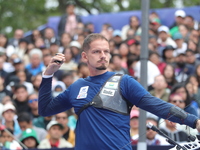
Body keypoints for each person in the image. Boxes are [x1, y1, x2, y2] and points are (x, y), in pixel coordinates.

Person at [38, 33, 200, 150]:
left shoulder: (124, 81)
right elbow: (45, 110)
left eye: (106, 51)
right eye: (97, 51)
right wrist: (48, 75)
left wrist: (194, 121)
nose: (103, 56)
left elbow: (156, 105)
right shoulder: (76, 86)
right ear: (85, 56)